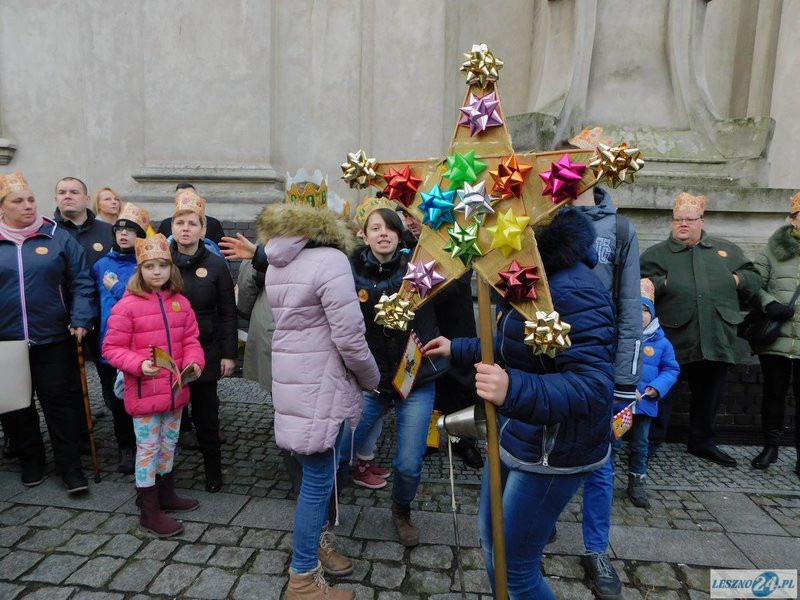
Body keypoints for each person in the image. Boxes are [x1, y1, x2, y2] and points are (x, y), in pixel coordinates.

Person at [424, 207, 616, 598]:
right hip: (518, 432)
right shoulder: (522, 271)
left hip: (554, 450)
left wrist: (511, 390)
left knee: (517, 569)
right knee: (491, 541)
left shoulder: (572, 288)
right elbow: (518, 348)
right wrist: (458, 348)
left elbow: (593, 386)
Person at [259, 198, 379, 600]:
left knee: (320, 475)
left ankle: (317, 546)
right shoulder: (329, 260)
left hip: (298, 380)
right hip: (322, 385)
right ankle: (303, 579)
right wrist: (372, 377)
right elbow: (349, 336)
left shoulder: (279, 263)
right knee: (317, 481)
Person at [340, 197, 449, 547]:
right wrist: (261, 254)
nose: (383, 234)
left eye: (389, 227)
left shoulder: (421, 268)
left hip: (416, 380)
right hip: (371, 382)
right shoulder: (347, 270)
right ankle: (324, 504)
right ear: (364, 236)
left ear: (400, 235)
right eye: (375, 228)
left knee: (408, 464)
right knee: (341, 448)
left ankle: (402, 510)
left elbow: (456, 254)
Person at [564, 128, 643, 600]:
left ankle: (596, 549)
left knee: (598, 462)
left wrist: (625, 379)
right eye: (574, 159)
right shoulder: (543, 222)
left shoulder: (620, 229)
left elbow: (630, 306)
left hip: (598, 367)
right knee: (538, 450)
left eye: (592, 159)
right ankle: (536, 524)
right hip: (549, 361)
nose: (582, 167)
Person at [640, 192, 761, 467]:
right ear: (672, 222)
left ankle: (702, 442)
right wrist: (664, 284)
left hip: (716, 337)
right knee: (662, 394)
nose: (683, 224)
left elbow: (754, 278)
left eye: (690, 219)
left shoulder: (726, 251)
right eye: (678, 219)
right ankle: (649, 443)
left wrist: (737, 278)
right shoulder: (655, 254)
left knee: (710, 394)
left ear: (701, 221)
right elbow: (638, 287)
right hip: (672, 339)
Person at [103, 233, 204, 538]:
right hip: (145, 392)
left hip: (175, 391)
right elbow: (111, 348)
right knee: (147, 448)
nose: (157, 272)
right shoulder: (127, 306)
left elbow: (191, 340)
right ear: (140, 271)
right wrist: (138, 365)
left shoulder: (181, 303)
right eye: (150, 267)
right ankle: (149, 510)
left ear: (171, 269)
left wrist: (195, 363)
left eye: (162, 265)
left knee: (168, 444)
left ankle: (166, 493)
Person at [0, 171, 95, 493]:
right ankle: (32, 461)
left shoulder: (56, 236)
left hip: (53, 336)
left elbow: (81, 281)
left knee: (60, 403)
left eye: (30, 199)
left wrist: (81, 318)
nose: (27, 206)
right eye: (18, 201)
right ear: (3, 208)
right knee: (16, 406)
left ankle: (70, 468)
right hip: (6, 340)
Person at [170, 187, 237, 492]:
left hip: (205, 351)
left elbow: (227, 312)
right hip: (168, 352)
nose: (186, 229)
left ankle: (213, 471)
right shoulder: (160, 263)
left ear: (203, 228)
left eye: (192, 223)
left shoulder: (216, 265)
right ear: (172, 226)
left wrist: (228, 354)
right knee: (167, 416)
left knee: (206, 418)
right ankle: (164, 474)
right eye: (180, 222)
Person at [92, 203, 151, 474]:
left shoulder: (147, 266)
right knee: (116, 402)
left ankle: (144, 445)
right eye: (120, 230)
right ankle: (125, 446)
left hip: (138, 345)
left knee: (139, 398)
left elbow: (144, 303)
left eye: (131, 231)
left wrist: (116, 288)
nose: (124, 235)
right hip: (109, 343)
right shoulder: (101, 264)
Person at [617, 279, 680, 508]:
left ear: (651, 314)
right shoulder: (620, 338)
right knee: (614, 442)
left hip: (644, 405)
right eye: (636, 310)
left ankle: (637, 483)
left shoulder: (662, 343)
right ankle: (606, 479)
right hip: (621, 404)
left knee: (640, 445)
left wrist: (656, 388)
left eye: (645, 310)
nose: (641, 315)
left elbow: (671, 369)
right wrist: (623, 388)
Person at [750, 191, 800, 475]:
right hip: (777, 337)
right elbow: (753, 284)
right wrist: (771, 304)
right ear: (792, 220)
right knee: (774, 395)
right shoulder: (772, 250)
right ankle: (770, 447)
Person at [157, 182, 226, 246]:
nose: (185, 228)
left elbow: (222, 254)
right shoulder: (165, 224)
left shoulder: (213, 224)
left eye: (193, 224)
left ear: (203, 228)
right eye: (179, 223)